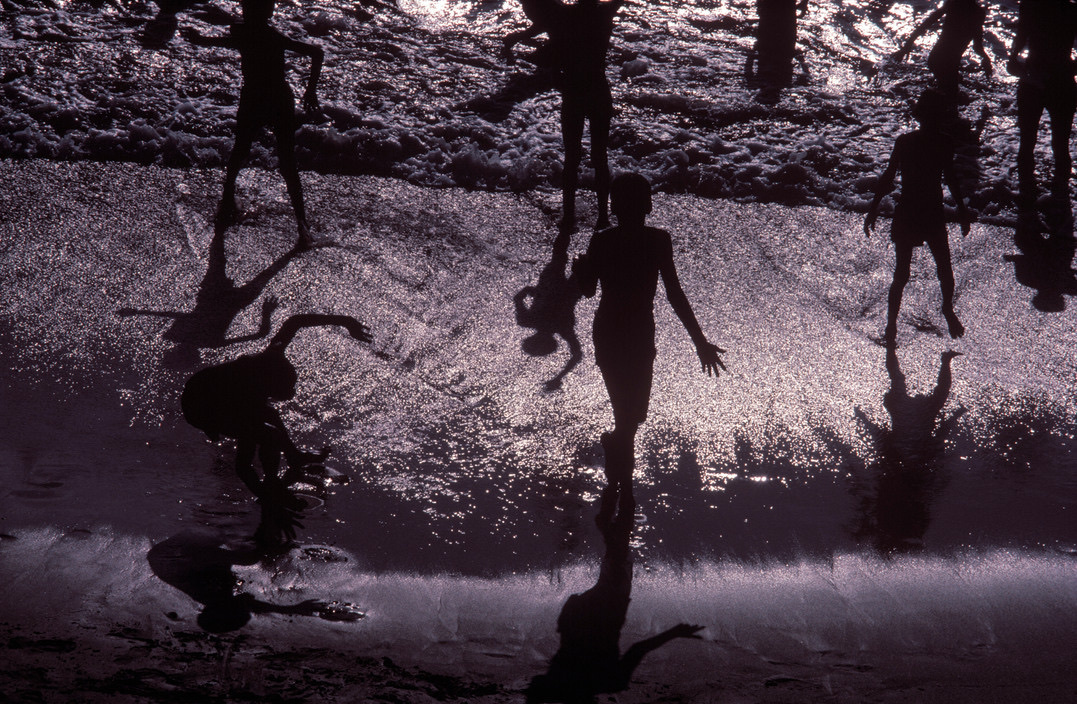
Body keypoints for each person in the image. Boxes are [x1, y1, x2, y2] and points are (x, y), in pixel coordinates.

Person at [573, 173, 725, 513]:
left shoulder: (619, 240)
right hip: (625, 331)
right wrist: (699, 341)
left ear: (615, 206)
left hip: (625, 331)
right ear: (647, 204)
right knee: (628, 414)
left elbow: (587, 291)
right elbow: (673, 294)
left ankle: (616, 454)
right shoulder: (649, 240)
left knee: (633, 414)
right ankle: (624, 490)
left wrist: (581, 271)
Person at [181, 314, 372, 506]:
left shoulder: (272, 354)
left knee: (270, 416)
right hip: (200, 409)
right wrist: (265, 496)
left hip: (212, 390)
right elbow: (243, 466)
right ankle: (272, 483)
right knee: (269, 435)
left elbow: (295, 322)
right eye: (286, 390)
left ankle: (293, 457)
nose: (292, 393)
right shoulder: (249, 399)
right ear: (269, 385)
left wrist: (346, 322)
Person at [182, 0, 323, 249]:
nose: (245, 12)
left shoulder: (247, 34)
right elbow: (317, 52)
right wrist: (310, 91)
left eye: (249, 8)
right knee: (285, 161)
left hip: (256, 99)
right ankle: (302, 224)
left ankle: (227, 204)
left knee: (241, 151)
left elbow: (220, 41)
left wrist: (200, 39)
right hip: (279, 98)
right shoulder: (269, 35)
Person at [864, 88, 972, 347]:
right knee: (941, 269)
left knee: (903, 274)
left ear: (920, 116)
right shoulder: (942, 141)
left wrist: (873, 207)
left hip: (912, 211)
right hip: (929, 211)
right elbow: (952, 180)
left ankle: (891, 326)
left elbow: (889, 177)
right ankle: (942, 309)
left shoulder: (906, 141)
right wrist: (962, 210)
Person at [530, 0, 626, 229]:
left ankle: (569, 216)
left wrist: (557, 77)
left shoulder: (566, 15)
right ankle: (603, 217)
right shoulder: (604, 12)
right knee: (600, 157)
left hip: (574, 89)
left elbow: (554, 54)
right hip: (598, 88)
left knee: (572, 157)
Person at [1007, 0, 1077, 215]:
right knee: (1060, 143)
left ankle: (1027, 199)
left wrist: (1013, 58)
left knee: (1027, 140)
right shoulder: (1072, 9)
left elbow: (1021, 36)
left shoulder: (1030, 5)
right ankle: (1061, 202)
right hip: (1063, 79)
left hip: (1033, 77)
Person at [892, 0, 992, 97]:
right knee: (951, 96)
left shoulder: (953, 4)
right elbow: (977, 47)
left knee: (946, 90)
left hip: (936, 58)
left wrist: (906, 46)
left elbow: (926, 24)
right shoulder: (978, 13)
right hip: (949, 63)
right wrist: (986, 59)